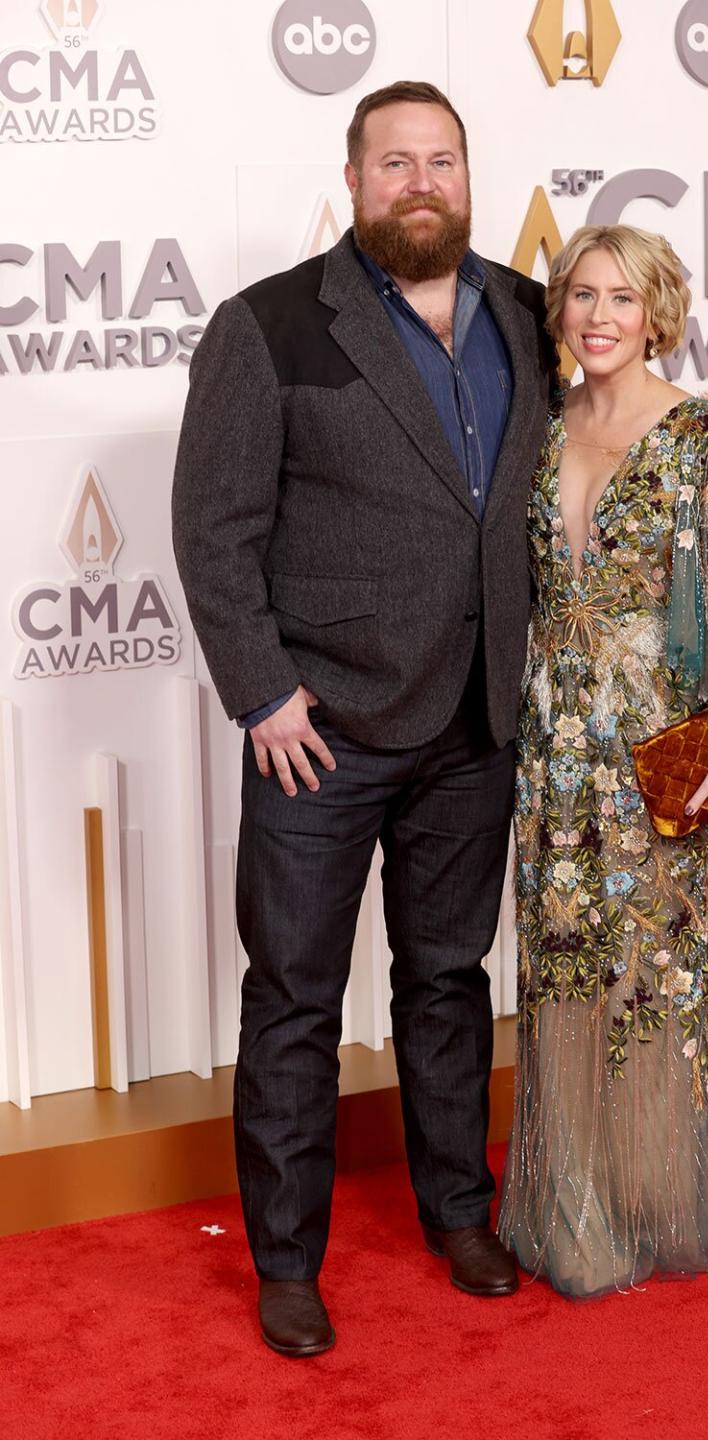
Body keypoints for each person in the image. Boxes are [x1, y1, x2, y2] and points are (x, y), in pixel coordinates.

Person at [171, 81, 555, 1356]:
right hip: (318, 734)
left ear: (467, 174)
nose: (423, 182)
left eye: (443, 159)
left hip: (473, 723)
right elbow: (213, 528)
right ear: (354, 181)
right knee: (295, 1001)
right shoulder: (268, 325)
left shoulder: (530, 314)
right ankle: (287, 1261)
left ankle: (459, 1213)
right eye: (397, 163)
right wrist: (262, 690)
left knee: (448, 981)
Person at [497, 224, 708, 1299]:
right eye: (582, 296)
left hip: (657, 750)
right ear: (563, 315)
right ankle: (576, 1203)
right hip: (553, 745)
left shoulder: (703, 440)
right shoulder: (541, 429)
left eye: (623, 299)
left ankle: (652, 1195)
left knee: (651, 971)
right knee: (560, 958)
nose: (599, 317)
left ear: (658, 313)